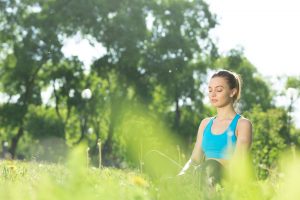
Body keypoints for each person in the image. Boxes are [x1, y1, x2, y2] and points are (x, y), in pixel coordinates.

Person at [178, 69, 253, 187]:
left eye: (219, 90)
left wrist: (211, 168)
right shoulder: (205, 123)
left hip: (225, 183)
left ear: (232, 92)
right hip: (201, 177)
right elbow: (195, 159)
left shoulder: (242, 124)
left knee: (211, 165)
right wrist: (181, 176)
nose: (213, 94)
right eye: (210, 90)